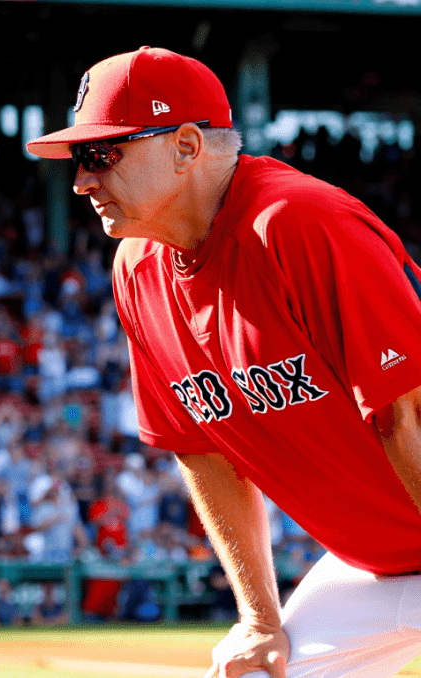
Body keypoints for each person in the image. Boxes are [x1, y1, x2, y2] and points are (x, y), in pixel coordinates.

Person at [28, 46, 421, 677]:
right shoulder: (138, 269)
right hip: (376, 565)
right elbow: (201, 451)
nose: (80, 180)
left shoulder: (295, 223)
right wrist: (260, 619)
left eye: (102, 154)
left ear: (185, 146)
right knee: (256, 670)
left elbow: (407, 416)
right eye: (79, 159)